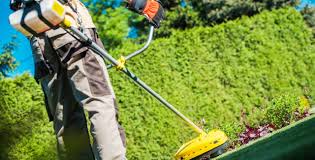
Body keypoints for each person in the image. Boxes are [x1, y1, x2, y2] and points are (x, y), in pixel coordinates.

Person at [18, 0, 164, 159]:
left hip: (39, 43)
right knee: (99, 103)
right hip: (70, 27)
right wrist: (142, 3)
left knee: (66, 120)